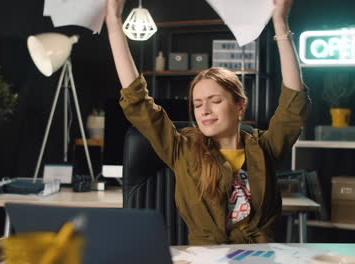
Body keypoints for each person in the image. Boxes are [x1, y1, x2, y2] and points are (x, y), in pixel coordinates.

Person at [105, 0, 311, 245]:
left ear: (239, 107)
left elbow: (294, 104)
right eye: (198, 103)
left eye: (215, 100)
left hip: (260, 258)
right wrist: (114, 24)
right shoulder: (182, 149)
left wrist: (280, 24)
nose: (205, 111)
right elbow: (138, 101)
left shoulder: (264, 147)